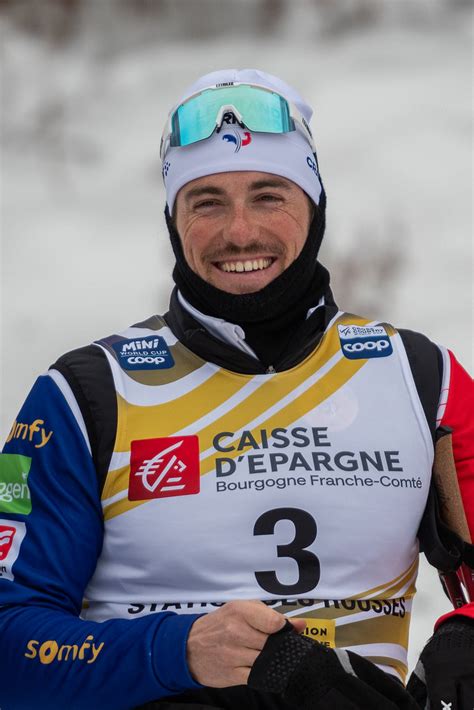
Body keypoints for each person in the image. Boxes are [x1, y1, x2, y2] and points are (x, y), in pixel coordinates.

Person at [0, 68, 472, 710]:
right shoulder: (85, 395)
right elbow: (10, 643)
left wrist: (464, 636)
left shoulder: (423, 378)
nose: (240, 233)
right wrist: (177, 651)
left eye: (269, 195)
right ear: (174, 219)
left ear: (315, 206)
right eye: (207, 202)